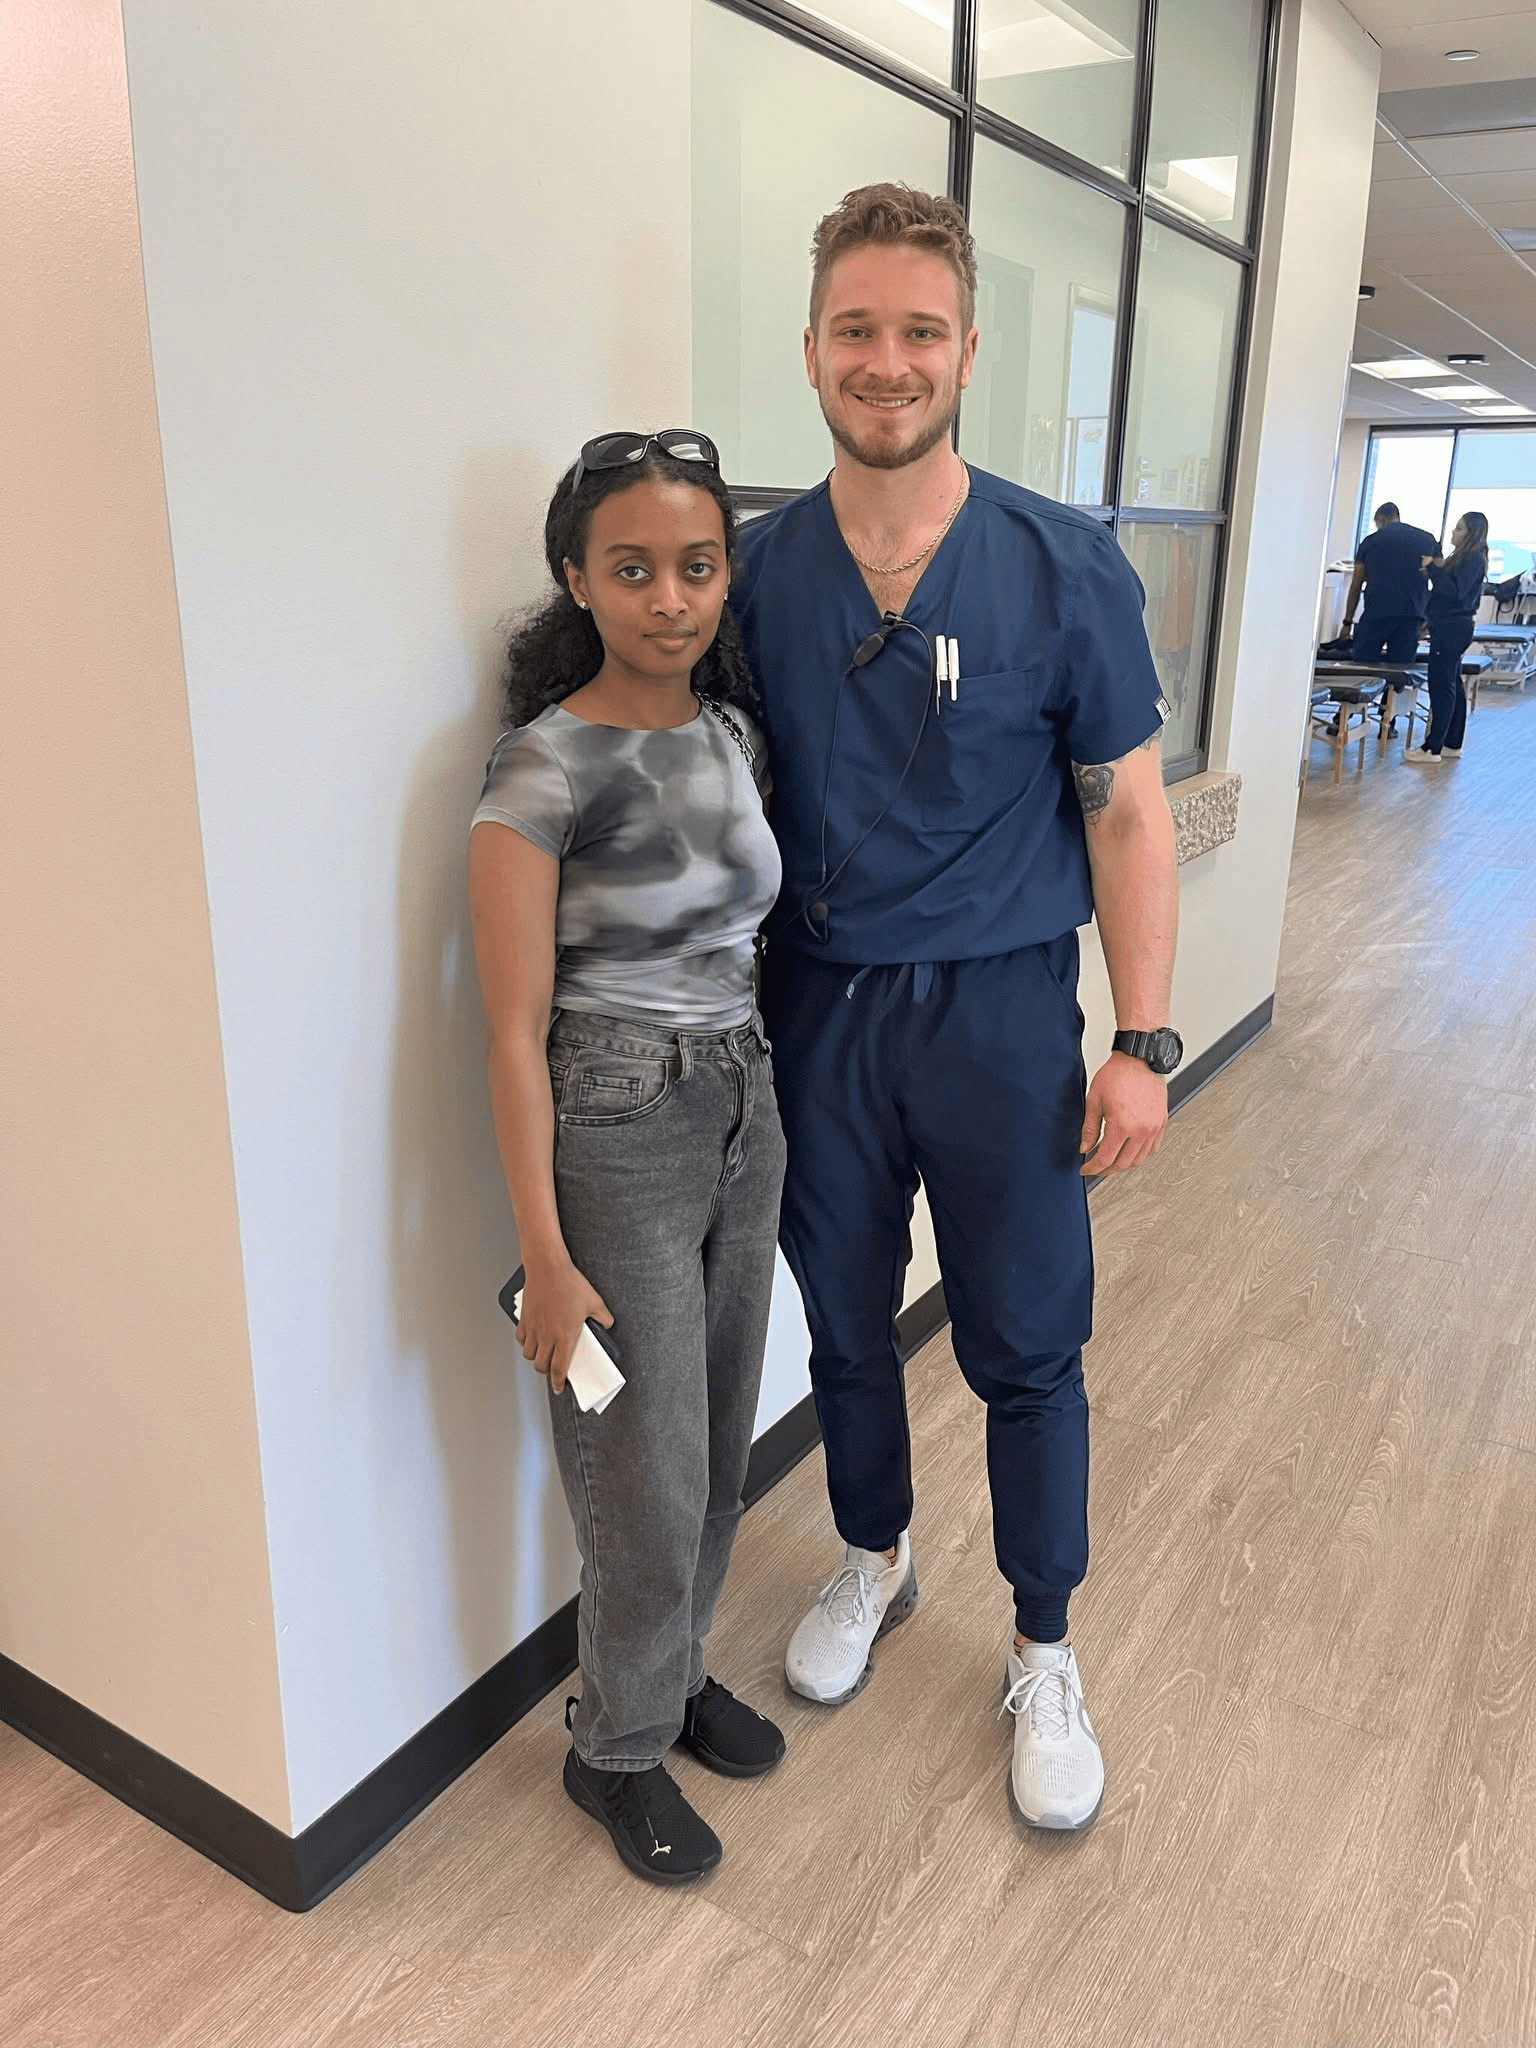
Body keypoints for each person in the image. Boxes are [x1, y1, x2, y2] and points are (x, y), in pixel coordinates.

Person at [731, 184, 1180, 1835]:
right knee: (844, 1318)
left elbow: (1125, 811)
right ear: (812, 350)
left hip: (997, 1014)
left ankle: (1046, 1644)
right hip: (818, 1009)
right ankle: (874, 1551)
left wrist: (1138, 1040)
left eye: (920, 329)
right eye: (858, 328)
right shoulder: (759, 571)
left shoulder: (1063, 566)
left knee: (1027, 1342)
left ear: (968, 350)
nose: (888, 359)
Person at [468, 430, 787, 1886]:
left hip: (743, 1101)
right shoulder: (543, 766)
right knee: (640, 1467)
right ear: (580, 580)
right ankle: (613, 1749)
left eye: (698, 565)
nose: (672, 597)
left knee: (718, 1439)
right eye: (635, 568)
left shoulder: (728, 733)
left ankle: (668, 1674)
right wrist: (543, 1252)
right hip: (616, 1129)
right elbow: (513, 1035)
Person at [1404, 510, 1489, 765]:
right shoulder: (1466, 558)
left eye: (1460, 528)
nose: (1454, 532)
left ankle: (1433, 747)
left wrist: (1432, 569)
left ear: (1471, 532)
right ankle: (1452, 743)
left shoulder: (1473, 557)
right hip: (1450, 626)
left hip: (1453, 628)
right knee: (1452, 684)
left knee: (1442, 686)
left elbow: (1454, 592)